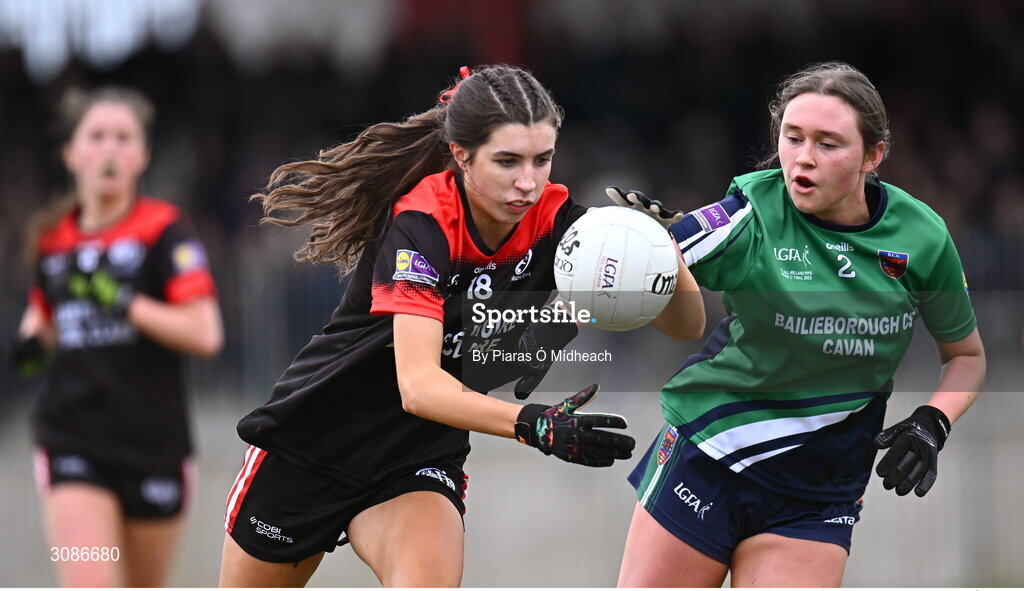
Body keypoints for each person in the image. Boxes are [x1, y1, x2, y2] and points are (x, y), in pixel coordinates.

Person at [218, 64, 704, 588]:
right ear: (461, 155)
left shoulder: (565, 227)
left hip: (416, 459)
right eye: (507, 161)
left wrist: (663, 255)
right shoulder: (420, 225)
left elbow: (687, 326)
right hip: (314, 445)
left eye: (543, 160)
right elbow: (418, 385)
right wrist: (532, 423)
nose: (528, 182)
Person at [609, 61, 986, 587]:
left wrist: (933, 420)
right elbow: (675, 244)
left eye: (828, 144)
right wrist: (643, 247)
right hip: (711, 452)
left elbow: (966, 356)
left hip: (819, 491)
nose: (803, 158)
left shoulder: (922, 236)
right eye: (793, 137)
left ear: (872, 156)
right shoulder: (752, 211)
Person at [14, 86, 224, 587]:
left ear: (142, 155)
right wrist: (24, 350)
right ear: (70, 153)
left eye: (124, 138)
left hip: (153, 447)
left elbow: (205, 333)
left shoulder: (163, 229)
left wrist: (122, 301)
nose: (110, 150)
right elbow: (35, 338)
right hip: (74, 445)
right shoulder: (53, 240)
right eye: (97, 136)